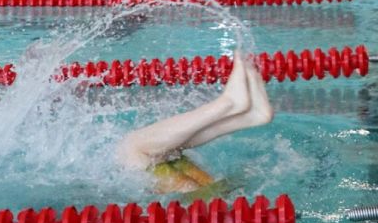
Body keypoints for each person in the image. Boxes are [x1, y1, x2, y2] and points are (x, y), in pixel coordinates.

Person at [116, 51, 273, 193]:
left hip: (198, 197)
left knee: (166, 151)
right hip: (196, 202)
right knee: (133, 146)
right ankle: (227, 104)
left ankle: (249, 117)